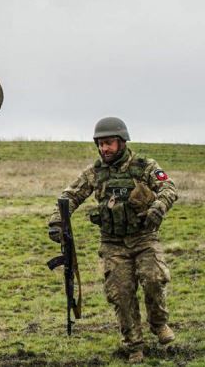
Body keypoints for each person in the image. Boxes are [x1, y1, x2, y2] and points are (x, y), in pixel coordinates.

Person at [48, 117, 177, 363]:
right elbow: (69, 196)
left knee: (153, 279)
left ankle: (159, 324)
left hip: (144, 238)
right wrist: (57, 220)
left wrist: (159, 205)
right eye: (100, 144)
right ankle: (134, 345)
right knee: (120, 292)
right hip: (113, 243)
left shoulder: (144, 166)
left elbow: (168, 187)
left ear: (121, 142)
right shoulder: (95, 172)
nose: (104, 149)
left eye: (109, 143)